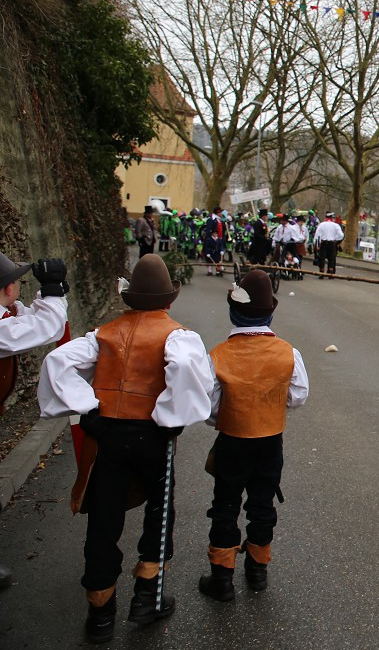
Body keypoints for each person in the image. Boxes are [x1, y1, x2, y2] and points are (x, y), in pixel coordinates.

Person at [38, 254, 214, 644]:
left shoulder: (103, 334)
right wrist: (170, 417)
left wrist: (89, 411)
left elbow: (56, 363)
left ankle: (100, 613)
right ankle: (147, 596)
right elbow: (186, 368)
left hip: (108, 436)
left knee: (104, 515)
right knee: (159, 509)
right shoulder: (178, 336)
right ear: (168, 301)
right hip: (151, 434)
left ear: (129, 299)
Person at [198, 270, 308, 602]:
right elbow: (298, 396)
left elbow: (209, 406)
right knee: (262, 504)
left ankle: (222, 577)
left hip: (232, 440)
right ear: (270, 313)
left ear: (233, 312)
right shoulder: (289, 353)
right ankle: (258, 571)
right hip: (270, 440)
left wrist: (233, 415)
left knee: (225, 503)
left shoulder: (217, 355)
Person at [0, 252, 69, 590]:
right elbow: (44, 328)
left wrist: (51, 294)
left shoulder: (7, 312)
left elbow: (30, 319)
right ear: (8, 287)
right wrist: (53, 291)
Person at [314, 211, 345, 278]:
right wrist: (336, 240)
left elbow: (317, 235)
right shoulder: (335, 225)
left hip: (323, 243)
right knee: (332, 258)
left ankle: (322, 272)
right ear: (332, 218)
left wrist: (317, 244)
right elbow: (341, 235)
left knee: (322, 257)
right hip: (332, 243)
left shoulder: (322, 224)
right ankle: (330, 272)